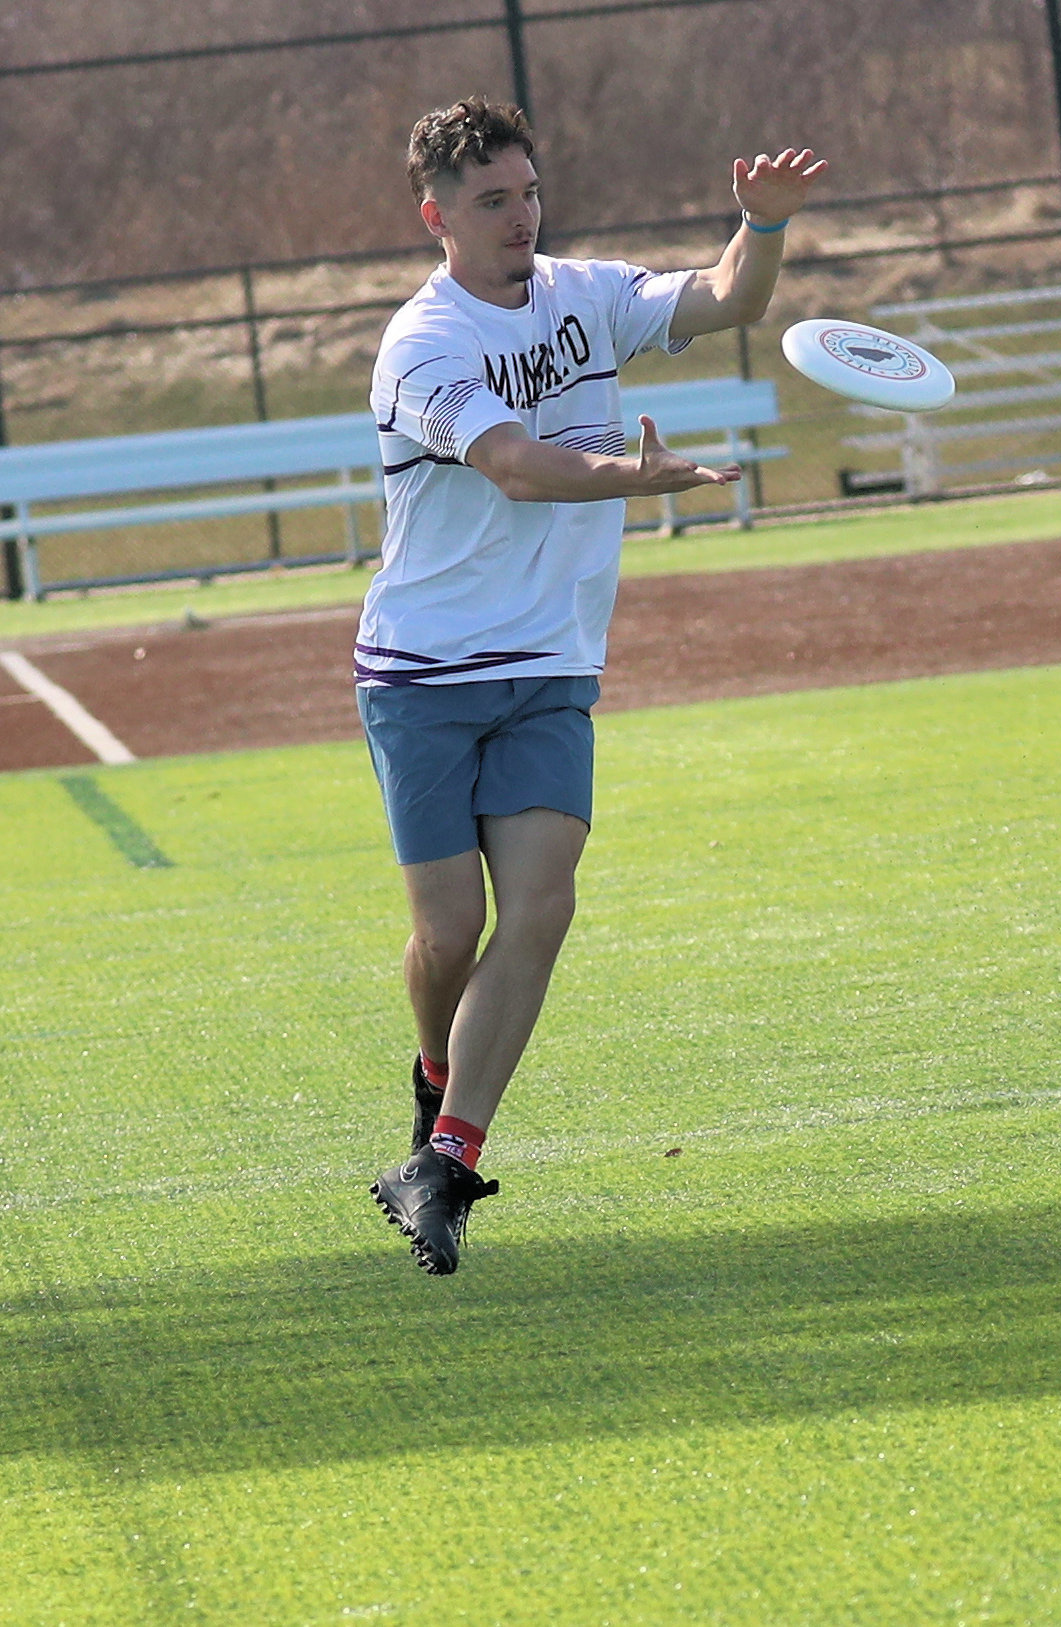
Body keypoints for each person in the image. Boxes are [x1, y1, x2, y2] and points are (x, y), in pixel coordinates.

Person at [360, 97, 826, 1276]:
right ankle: (433, 1078)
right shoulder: (421, 344)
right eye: (490, 202)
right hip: (423, 671)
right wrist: (632, 477)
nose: (520, 218)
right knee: (448, 932)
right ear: (436, 218)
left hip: (549, 665)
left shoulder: (584, 293)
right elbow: (514, 467)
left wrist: (762, 225)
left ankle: (447, 1157)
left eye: (527, 193)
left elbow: (724, 298)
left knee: (542, 905)